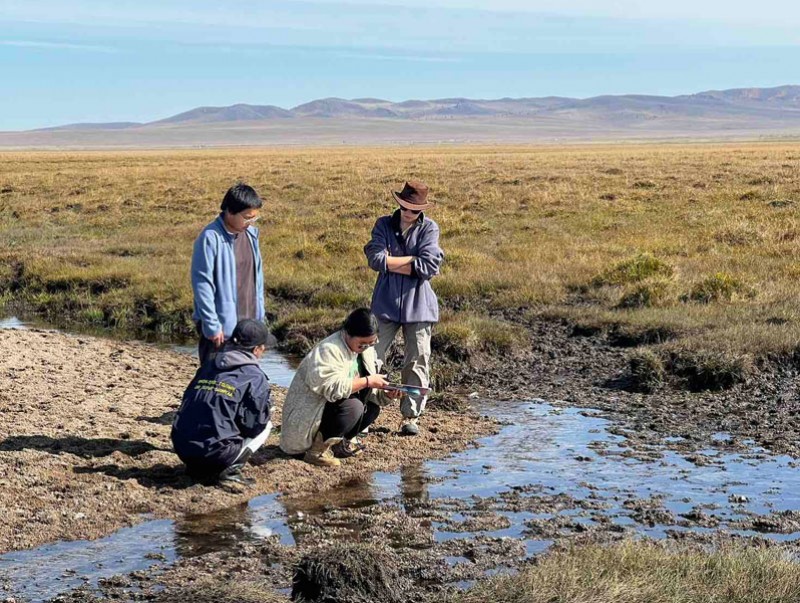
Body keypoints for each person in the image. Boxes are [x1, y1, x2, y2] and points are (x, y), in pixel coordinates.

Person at [364, 181, 444, 436]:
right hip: (385, 304)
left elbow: (429, 267)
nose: (409, 214)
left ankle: (411, 417)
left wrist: (392, 262)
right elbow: (375, 260)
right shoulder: (383, 224)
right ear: (399, 204)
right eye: (405, 208)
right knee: (370, 356)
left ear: (421, 210)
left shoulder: (430, 228)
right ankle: (364, 410)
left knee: (417, 360)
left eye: (414, 210)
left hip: (419, 306)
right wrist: (413, 259)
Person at [279, 308, 401, 468]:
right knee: (354, 407)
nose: (366, 347)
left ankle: (338, 444)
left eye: (371, 343)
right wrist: (367, 381)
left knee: (371, 408)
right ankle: (316, 451)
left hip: (332, 410)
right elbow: (332, 390)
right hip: (308, 418)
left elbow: (370, 392)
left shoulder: (367, 351)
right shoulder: (328, 350)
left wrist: (387, 394)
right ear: (347, 333)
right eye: (362, 344)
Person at [171, 319, 272, 487]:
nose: (264, 350)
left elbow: (187, 399)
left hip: (182, 448)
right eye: (263, 347)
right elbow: (255, 425)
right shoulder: (255, 376)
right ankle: (230, 471)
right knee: (266, 424)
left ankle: (195, 466)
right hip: (216, 455)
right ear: (256, 350)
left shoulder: (209, 364)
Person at [191, 183, 265, 365]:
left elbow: (257, 281)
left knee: (245, 378)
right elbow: (202, 285)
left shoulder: (251, 236)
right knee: (215, 382)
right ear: (230, 212)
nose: (250, 223)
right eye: (247, 218)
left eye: (254, 219)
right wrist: (212, 326)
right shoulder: (210, 237)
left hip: (249, 327)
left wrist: (261, 322)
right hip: (222, 331)